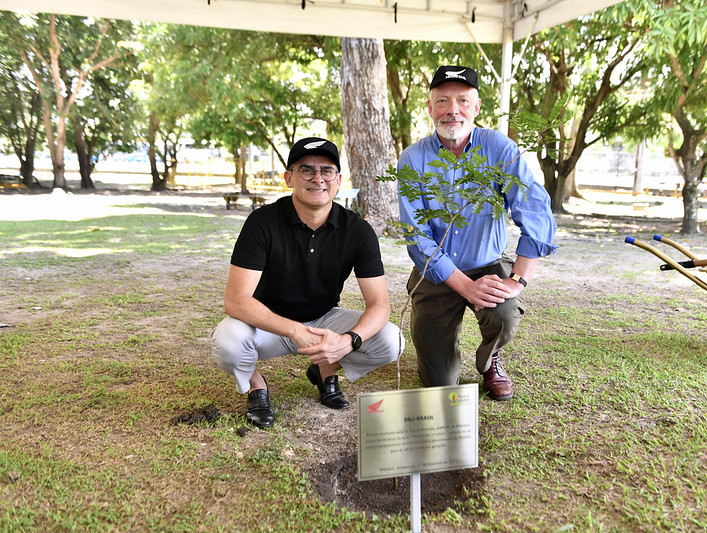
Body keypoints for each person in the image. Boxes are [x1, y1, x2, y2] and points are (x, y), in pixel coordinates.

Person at [212, 137, 403, 427]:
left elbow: (379, 305)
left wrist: (347, 341)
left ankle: (326, 369)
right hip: (266, 324)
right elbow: (236, 300)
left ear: (338, 180)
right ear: (289, 177)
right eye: (306, 169)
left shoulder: (358, 230)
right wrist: (293, 330)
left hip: (323, 319)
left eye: (326, 171)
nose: (318, 178)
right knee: (228, 342)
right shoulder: (262, 222)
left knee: (390, 341)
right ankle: (256, 385)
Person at [397, 65, 557, 401]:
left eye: (462, 101)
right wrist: (465, 287)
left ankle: (489, 360)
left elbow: (535, 212)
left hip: (487, 263)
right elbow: (417, 235)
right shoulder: (413, 159)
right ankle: (442, 360)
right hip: (435, 270)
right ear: (430, 108)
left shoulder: (499, 149)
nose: (452, 110)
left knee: (504, 314)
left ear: (477, 107)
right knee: (440, 386)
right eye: (442, 101)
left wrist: (518, 281)